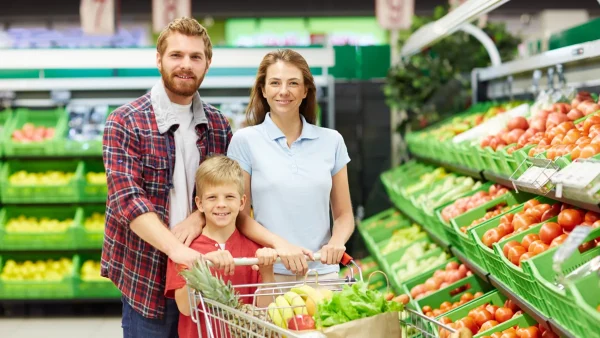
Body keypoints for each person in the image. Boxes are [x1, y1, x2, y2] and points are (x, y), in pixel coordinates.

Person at [102, 18, 308, 337]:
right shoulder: (125, 122)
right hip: (146, 277)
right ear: (159, 59)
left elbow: (222, 189)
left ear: (207, 64)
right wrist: (178, 250)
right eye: (176, 55)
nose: (186, 65)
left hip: (212, 278)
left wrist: (197, 218)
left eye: (196, 57)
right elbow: (127, 200)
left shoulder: (216, 123)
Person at [227, 49, 355, 282]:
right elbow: (241, 216)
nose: (283, 91)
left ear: (305, 90)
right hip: (270, 272)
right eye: (275, 83)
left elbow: (344, 214)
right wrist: (281, 245)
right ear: (263, 90)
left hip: (323, 274)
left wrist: (337, 243)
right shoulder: (245, 141)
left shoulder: (332, 141)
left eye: (293, 83)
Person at [165, 155, 278, 338]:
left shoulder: (254, 249)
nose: (221, 204)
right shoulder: (184, 251)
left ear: (242, 202)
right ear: (199, 204)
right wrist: (201, 266)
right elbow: (185, 308)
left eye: (229, 197)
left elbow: (265, 310)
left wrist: (267, 272)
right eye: (212, 197)